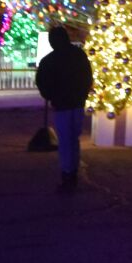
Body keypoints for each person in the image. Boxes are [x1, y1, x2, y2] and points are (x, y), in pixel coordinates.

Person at [35, 25, 93, 191]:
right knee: (73, 139)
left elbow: (42, 82)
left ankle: (67, 174)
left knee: (65, 141)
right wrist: (83, 95)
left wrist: (51, 96)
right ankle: (73, 171)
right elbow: (87, 77)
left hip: (62, 106)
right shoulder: (79, 55)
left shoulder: (49, 61)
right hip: (77, 104)